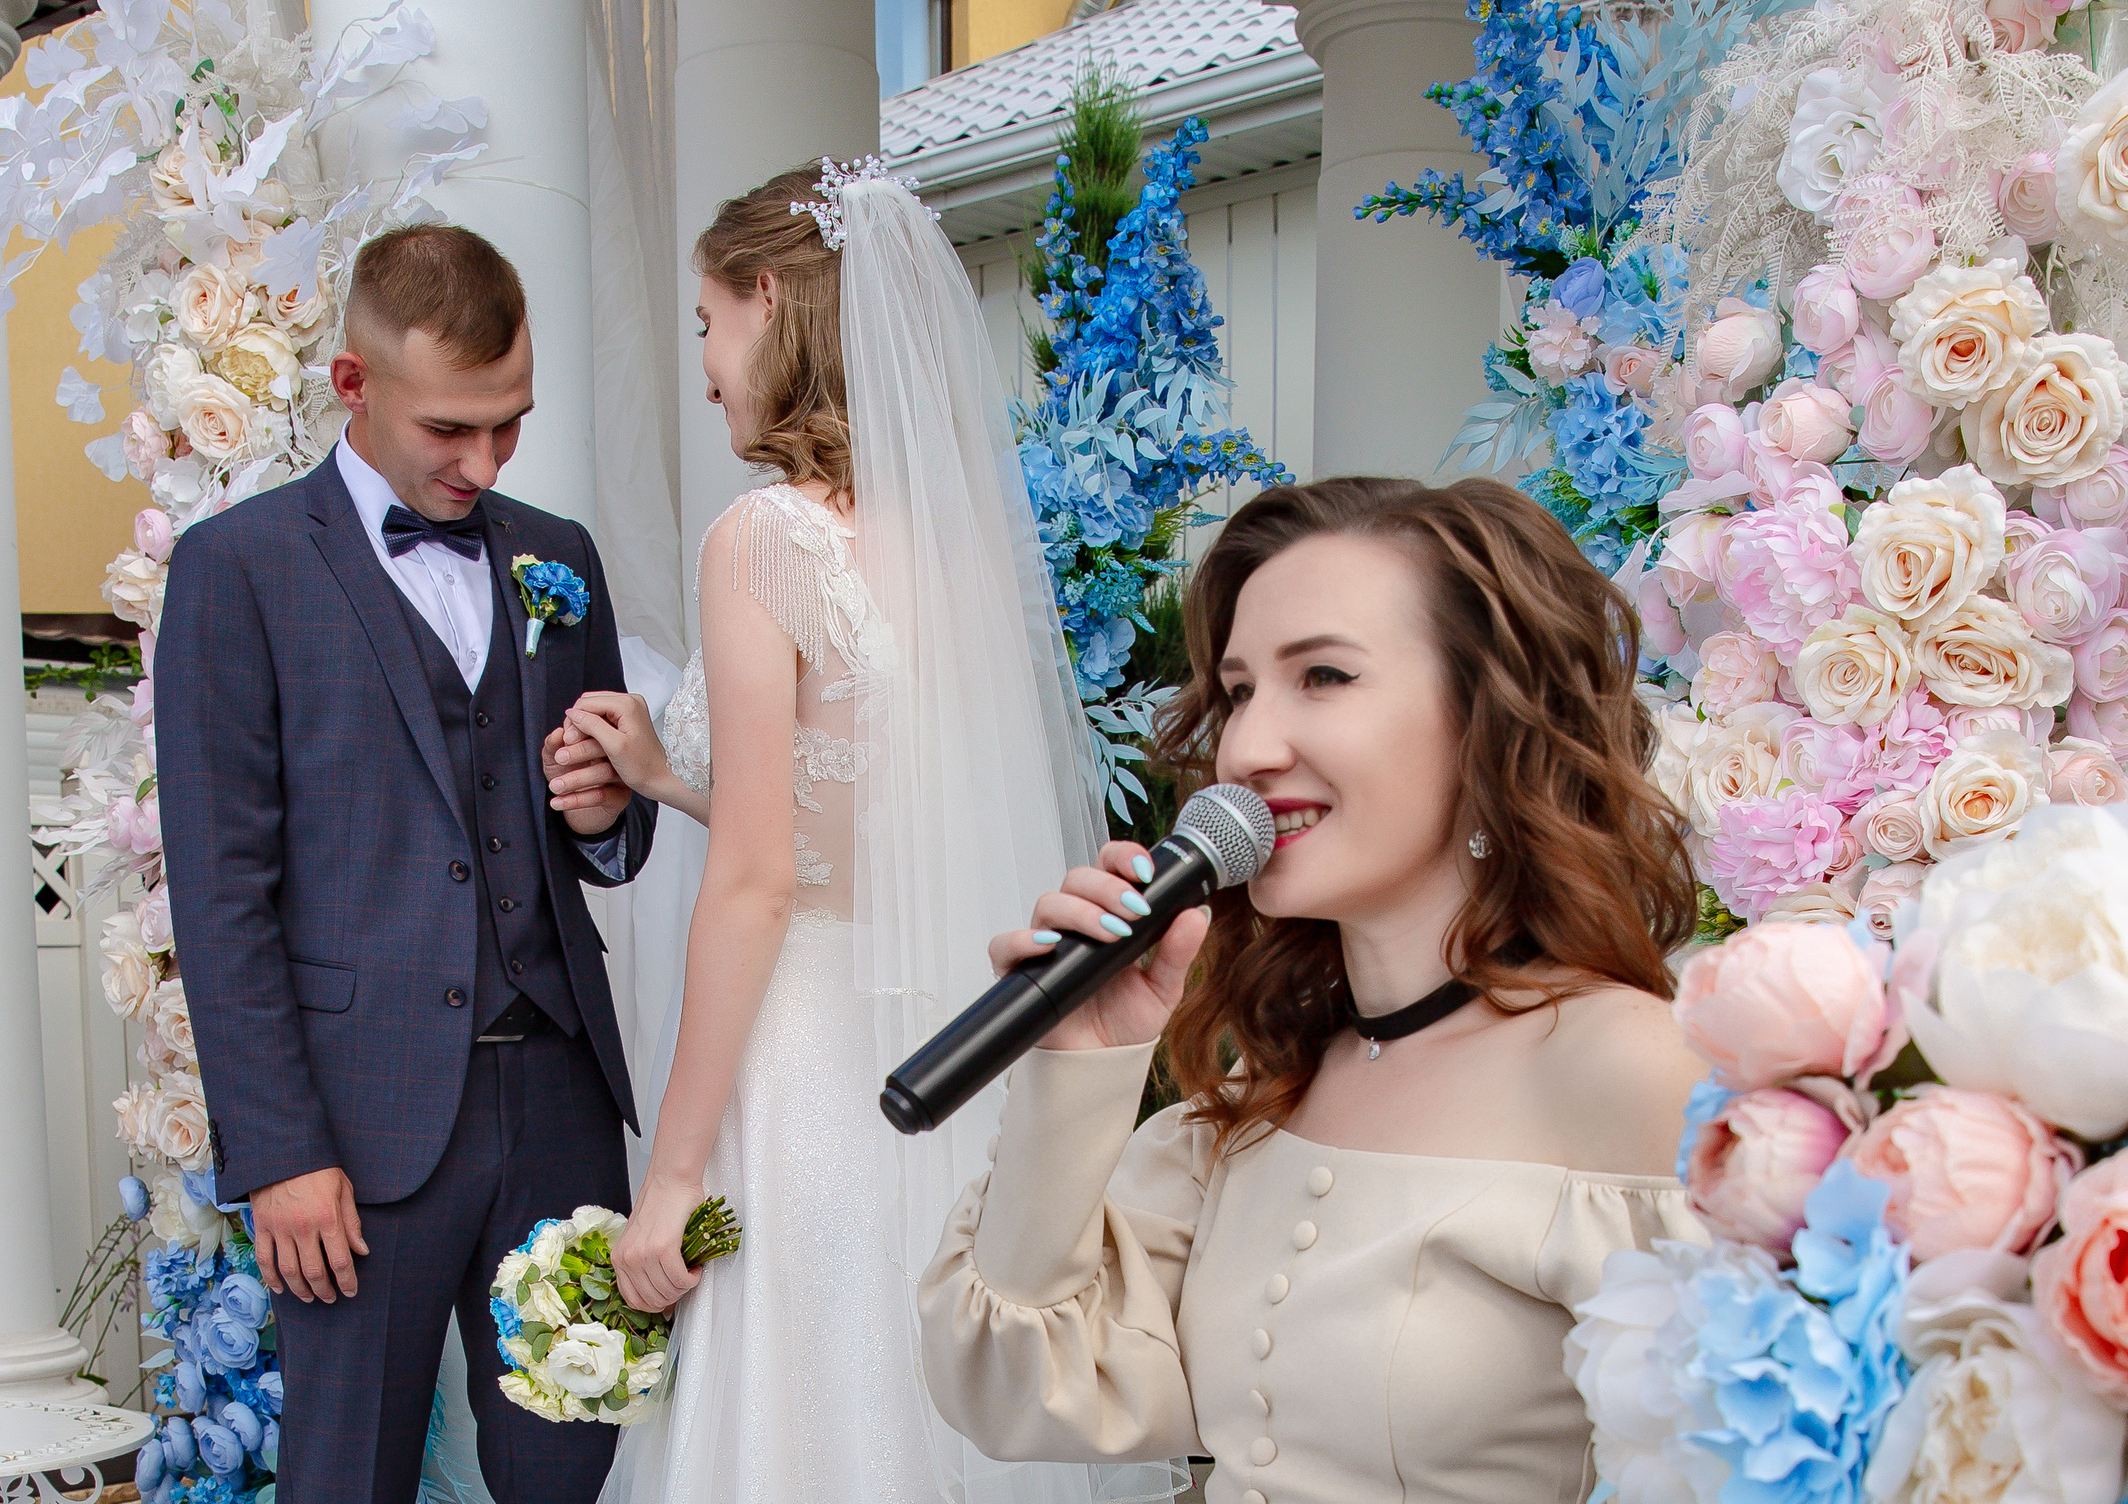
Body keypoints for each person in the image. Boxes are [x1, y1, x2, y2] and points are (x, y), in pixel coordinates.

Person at [558, 161, 1184, 1504]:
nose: (710, 366)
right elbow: (869, 816)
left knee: (800, 1393)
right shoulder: (949, 547)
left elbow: (761, 880)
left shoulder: (763, 537)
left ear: (772, 302)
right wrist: (674, 777)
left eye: (711, 324)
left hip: (804, 1055)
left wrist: (666, 1177)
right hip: (947, 1041)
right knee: (929, 1372)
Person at [917, 475, 1711, 1504]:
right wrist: (1074, 1064)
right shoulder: (1271, 1089)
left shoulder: (1637, 1067)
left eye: (1324, 677)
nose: (1245, 749)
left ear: (1490, 722)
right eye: (1239, 690)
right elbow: (1020, 1393)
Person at [155, 222, 656, 1504]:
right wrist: (276, 1150)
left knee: (565, 1472)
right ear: (353, 384)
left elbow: (609, 835)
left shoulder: (559, 557)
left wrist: (604, 812)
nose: (483, 462)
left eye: (510, 424)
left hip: (558, 1107)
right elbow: (220, 894)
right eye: (451, 430)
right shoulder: (237, 572)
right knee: (347, 1482)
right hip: (351, 1136)